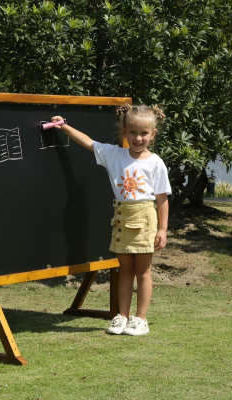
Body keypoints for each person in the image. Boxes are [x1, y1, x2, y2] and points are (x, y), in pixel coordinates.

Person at [51, 104, 171, 336]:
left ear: (153, 135)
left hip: (145, 218)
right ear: (124, 132)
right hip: (121, 217)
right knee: (124, 271)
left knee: (142, 272)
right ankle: (122, 316)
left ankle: (141, 319)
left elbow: (162, 199)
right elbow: (87, 142)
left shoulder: (156, 163)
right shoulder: (114, 154)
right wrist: (63, 126)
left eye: (144, 133)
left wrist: (163, 229)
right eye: (133, 133)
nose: (138, 138)